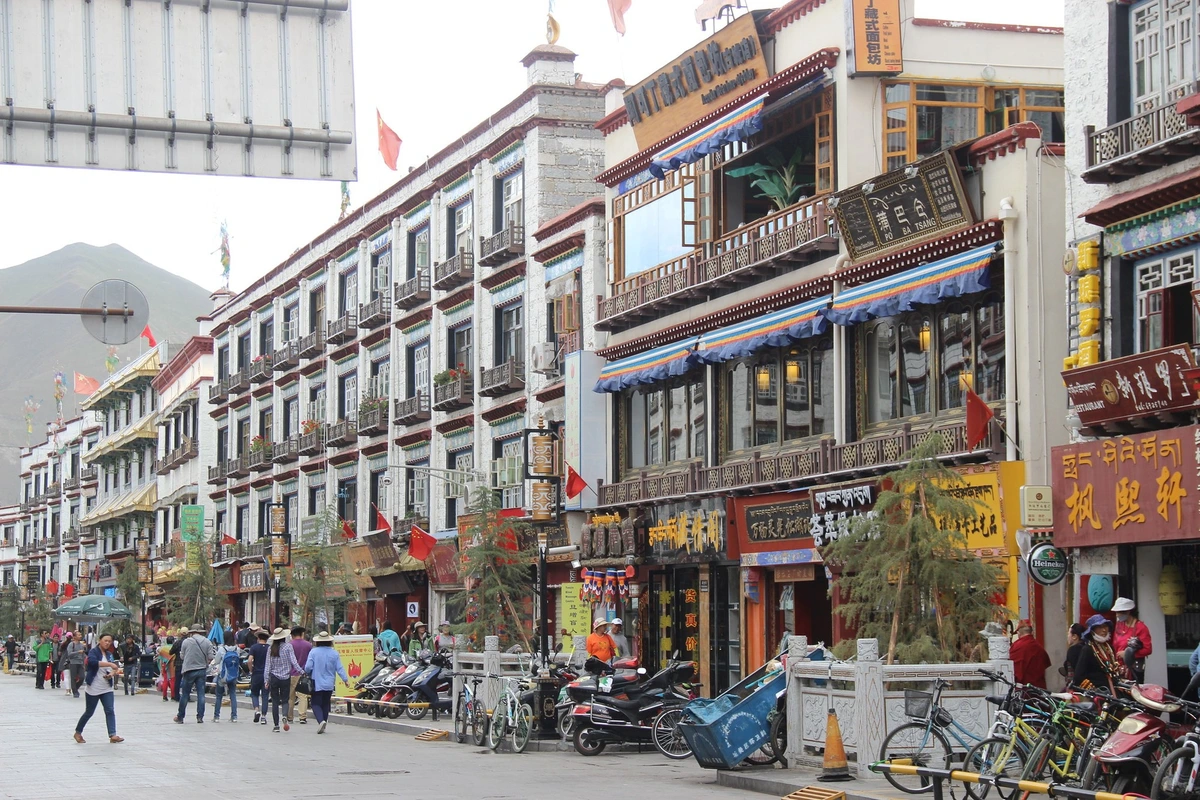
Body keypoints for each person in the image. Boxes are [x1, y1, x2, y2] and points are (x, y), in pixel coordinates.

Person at [73, 632, 123, 744]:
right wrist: (110, 665)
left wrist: (111, 674)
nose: (107, 643)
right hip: (94, 687)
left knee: (110, 710)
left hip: (106, 687)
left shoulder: (109, 654)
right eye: (105, 640)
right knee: (89, 712)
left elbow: (115, 668)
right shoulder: (93, 652)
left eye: (109, 641)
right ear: (100, 640)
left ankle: (113, 735)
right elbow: (92, 662)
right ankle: (78, 732)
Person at [305, 630, 349, 734]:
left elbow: (308, 667)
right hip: (329, 683)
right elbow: (340, 668)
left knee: (315, 703)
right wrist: (345, 680)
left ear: (318, 642)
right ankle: (324, 722)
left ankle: (321, 721)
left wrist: (307, 672)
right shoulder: (334, 653)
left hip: (317, 682)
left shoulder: (314, 652)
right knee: (325, 703)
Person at [1073, 614, 1125, 693]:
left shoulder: (1110, 648)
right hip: (1098, 693)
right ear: (1092, 630)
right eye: (1100, 627)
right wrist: (1094, 690)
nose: (1104, 630)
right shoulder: (1088, 649)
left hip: (1114, 690)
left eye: (1105, 626)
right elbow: (1078, 677)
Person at [173, 624, 214, 724]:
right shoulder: (207, 641)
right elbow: (211, 657)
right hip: (201, 670)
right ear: (201, 632)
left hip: (189, 670)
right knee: (201, 694)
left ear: (191, 632)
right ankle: (200, 717)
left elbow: (182, 656)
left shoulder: (186, 642)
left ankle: (180, 717)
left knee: (185, 694)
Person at [264, 627, 301, 733]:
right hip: (286, 677)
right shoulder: (288, 647)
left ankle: (276, 725)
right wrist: (301, 671)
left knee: (275, 702)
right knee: (285, 700)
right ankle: (284, 715)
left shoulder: (270, 648)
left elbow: (268, 665)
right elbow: (294, 662)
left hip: (274, 678)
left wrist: (266, 679)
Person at [1113, 597, 1153, 684]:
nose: (1117, 615)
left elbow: (1148, 649)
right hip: (1119, 667)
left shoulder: (1141, 628)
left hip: (1133, 669)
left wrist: (1127, 654)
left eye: (1119, 612)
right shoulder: (1119, 625)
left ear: (1128, 611)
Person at [1010, 619, 1051, 688]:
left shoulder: (1016, 646)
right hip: (1038, 689)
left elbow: (1012, 668)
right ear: (1032, 632)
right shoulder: (1039, 647)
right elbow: (1045, 663)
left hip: (1023, 689)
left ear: (1019, 633)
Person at [211, 631, 239, 723]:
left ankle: (216, 716)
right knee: (233, 695)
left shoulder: (222, 649)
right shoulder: (236, 649)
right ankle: (234, 716)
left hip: (223, 675)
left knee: (219, 695)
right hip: (234, 675)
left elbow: (217, 661)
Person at [288, 626, 312, 726]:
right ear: (302, 634)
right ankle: (302, 717)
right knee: (303, 696)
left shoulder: (289, 645)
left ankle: (289, 717)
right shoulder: (308, 645)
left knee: (290, 697)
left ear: (292, 635)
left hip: (291, 673)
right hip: (303, 674)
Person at [248, 629, 270, 724]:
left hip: (256, 673)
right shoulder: (269, 648)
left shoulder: (254, 647)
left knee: (254, 693)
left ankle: (257, 710)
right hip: (266, 674)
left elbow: (250, 660)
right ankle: (264, 717)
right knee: (265, 695)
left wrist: (251, 669)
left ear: (258, 638)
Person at [1060, 623, 1086, 689]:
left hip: (1076, 687)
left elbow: (1076, 671)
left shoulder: (1073, 650)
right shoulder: (1086, 648)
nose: (1068, 636)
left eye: (1069, 634)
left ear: (1074, 636)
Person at [156, 637, 175, 702]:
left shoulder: (162, 649)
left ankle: (164, 697)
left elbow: (159, 659)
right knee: (172, 680)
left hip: (164, 665)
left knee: (165, 681)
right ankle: (173, 696)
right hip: (172, 665)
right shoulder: (174, 648)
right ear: (173, 641)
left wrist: (161, 668)